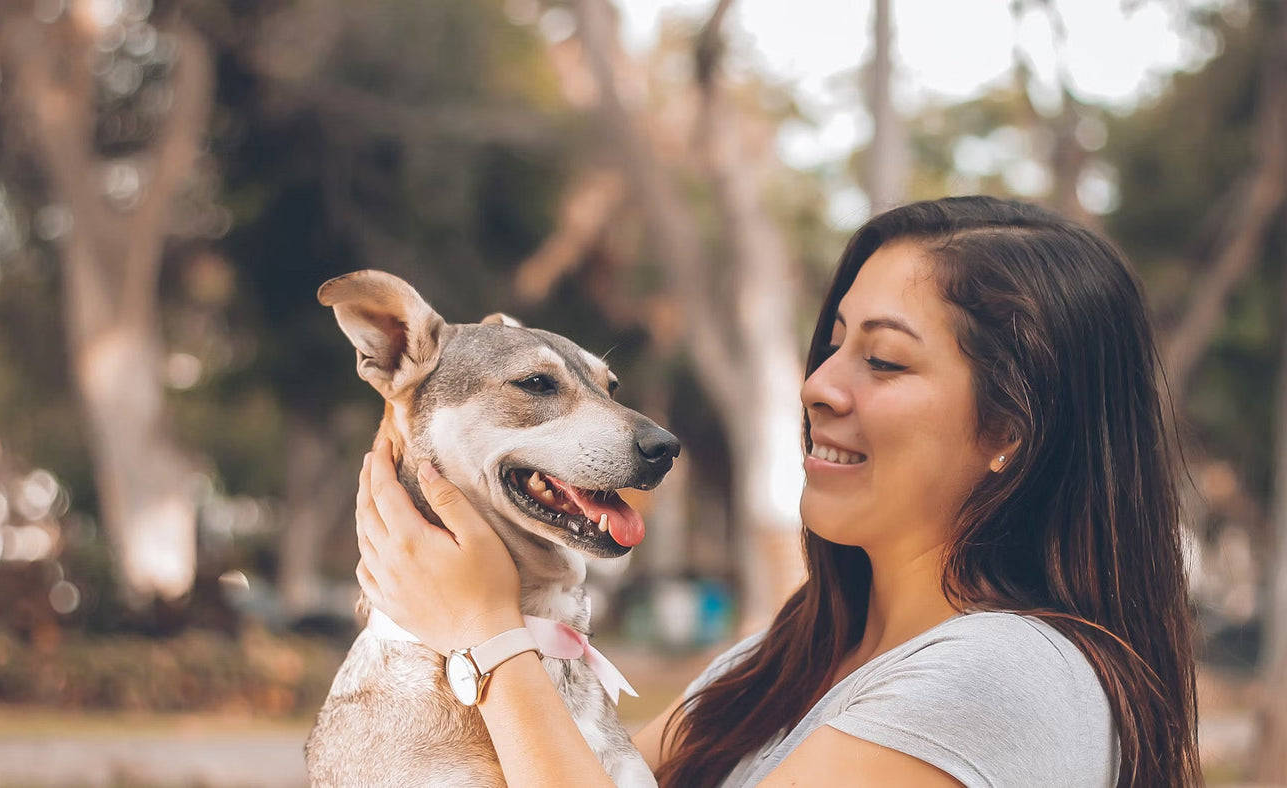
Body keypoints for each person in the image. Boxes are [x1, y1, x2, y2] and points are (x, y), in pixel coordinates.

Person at [354, 196, 1201, 787]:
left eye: (885, 359)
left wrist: (485, 633)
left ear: (1012, 430)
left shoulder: (1006, 676)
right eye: (832, 345)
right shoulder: (774, 664)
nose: (819, 385)